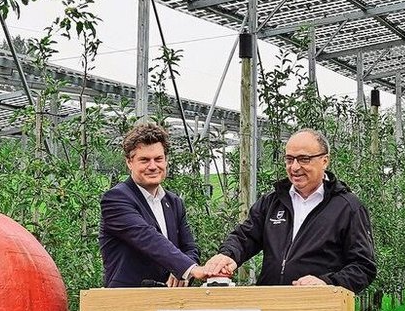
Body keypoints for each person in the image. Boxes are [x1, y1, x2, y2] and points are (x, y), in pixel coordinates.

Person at [201, 128, 373, 292]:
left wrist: (328, 283)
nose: (295, 167)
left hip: (319, 310)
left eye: (304, 159)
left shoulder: (347, 207)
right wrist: (228, 255)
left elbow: (363, 266)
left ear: (325, 161)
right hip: (271, 305)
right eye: (289, 159)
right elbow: (245, 236)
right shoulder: (272, 202)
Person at [99, 122, 202, 288]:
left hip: (170, 304)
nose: (153, 166)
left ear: (166, 160)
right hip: (128, 302)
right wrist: (187, 268)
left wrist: (183, 272)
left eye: (158, 159)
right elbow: (147, 237)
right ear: (129, 162)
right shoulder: (116, 199)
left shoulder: (174, 203)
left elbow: (190, 248)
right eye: (144, 160)